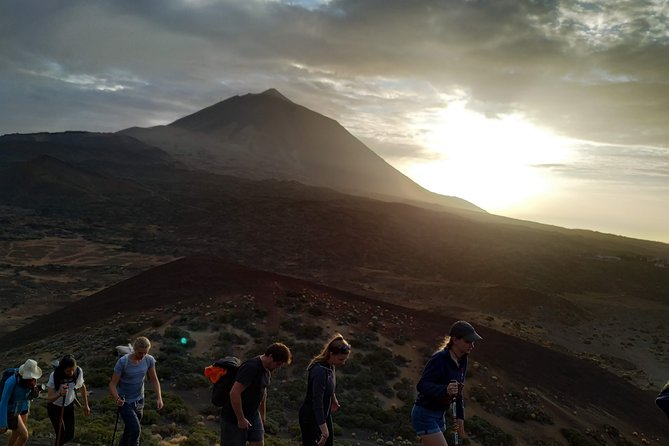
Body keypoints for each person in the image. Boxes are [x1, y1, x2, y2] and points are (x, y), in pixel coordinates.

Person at [411, 320, 483, 446]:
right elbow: (422, 385)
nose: (472, 345)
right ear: (455, 340)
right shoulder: (439, 359)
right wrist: (445, 390)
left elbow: (458, 390)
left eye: (473, 342)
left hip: (439, 415)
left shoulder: (463, 360)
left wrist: (460, 416)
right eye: (468, 341)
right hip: (424, 414)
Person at [222, 342, 293, 446]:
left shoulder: (267, 370)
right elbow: (234, 393)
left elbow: (263, 391)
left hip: (253, 415)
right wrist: (240, 419)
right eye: (278, 363)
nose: (278, 367)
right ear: (270, 356)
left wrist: (262, 415)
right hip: (233, 417)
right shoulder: (251, 367)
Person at [109, 336, 163, 446]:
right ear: (134, 349)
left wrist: (159, 397)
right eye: (140, 353)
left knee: (129, 431)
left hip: (139, 401)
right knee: (135, 431)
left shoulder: (149, 360)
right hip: (124, 402)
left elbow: (154, 379)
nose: (142, 356)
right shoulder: (123, 362)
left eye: (145, 353)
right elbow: (112, 384)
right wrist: (117, 398)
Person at [299, 334, 351, 446]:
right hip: (311, 418)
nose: (343, 362)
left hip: (324, 415)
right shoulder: (320, 371)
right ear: (331, 354)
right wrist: (324, 432)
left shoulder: (330, 366)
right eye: (341, 359)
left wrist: (333, 398)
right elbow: (316, 402)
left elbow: (329, 386)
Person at [46, 354, 91, 445]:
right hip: (54, 408)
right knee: (60, 435)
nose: (71, 373)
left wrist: (86, 405)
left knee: (70, 435)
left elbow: (82, 387)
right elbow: (49, 399)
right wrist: (60, 394)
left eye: (72, 370)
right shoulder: (55, 375)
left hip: (68, 406)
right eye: (68, 371)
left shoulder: (78, 371)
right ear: (63, 369)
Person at [0, 358, 43, 446]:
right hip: (12, 410)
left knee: (16, 433)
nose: (32, 377)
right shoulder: (11, 381)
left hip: (24, 407)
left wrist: (36, 394)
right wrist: (3, 423)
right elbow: (3, 402)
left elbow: (29, 396)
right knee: (24, 436)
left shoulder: (32, 380)